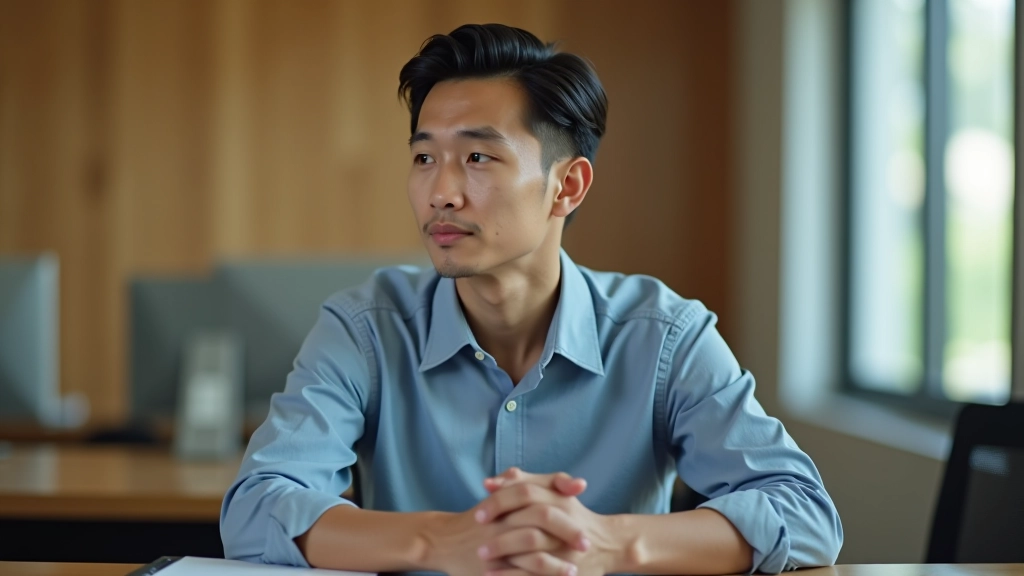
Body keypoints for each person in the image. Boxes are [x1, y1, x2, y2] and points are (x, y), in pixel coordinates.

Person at [220, 23, 843, 576]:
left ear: (566, 185)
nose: (441, 192)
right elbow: (256, 506)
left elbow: (806, 514)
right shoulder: (365, 328)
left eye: (477, 157)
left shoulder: (663, 335)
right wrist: (442, 541)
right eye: (423, 156)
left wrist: (608, 543)